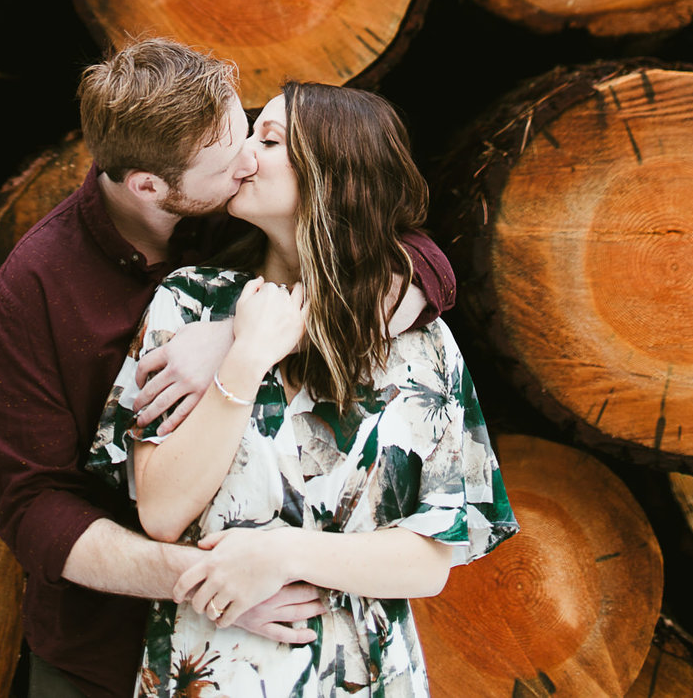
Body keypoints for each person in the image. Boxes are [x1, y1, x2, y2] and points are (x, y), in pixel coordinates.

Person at [0, 39, 460, 698]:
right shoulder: (38, 283)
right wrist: (214, 583)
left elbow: (420, 265)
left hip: (298, 656)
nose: (249, 159)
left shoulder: (236, 215)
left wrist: (241, 326)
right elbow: (35, 508)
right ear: (151, 186)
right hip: (104, 651)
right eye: (231, 153)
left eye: (252, 129)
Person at [91, 82, 515, 698]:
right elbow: (160, 512)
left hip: (366, 674)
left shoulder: (419, 340)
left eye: (268, 139)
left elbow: (431, 559)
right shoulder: (188, 304)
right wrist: (243, 357)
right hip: (215, 669)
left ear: (335, 176)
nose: (243, 155)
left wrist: (283, 554)